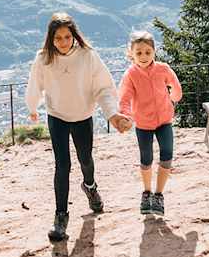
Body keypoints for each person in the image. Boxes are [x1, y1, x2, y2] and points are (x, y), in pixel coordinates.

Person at [25, 13, 131, 242]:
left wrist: (112, 114)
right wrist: (33, 106)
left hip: (83, 116)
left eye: (67, 36)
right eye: (58, 38)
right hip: (57, 117)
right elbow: (35, 83)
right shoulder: (43, 58)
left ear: (74, 36)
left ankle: (90, 186)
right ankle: (60, 217)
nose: (63, 42)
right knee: (62, 165)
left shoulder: (88, 56)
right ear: (50, 40)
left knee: (85, 159)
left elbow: (103, 88)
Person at [118, 30, 183, 216]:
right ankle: (146, 193)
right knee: (146, 159)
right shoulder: (130, 75)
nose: (144, 56)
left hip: (164, 120)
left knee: (167, 155)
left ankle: (159, 195)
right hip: (143, 124)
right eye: (139, 53)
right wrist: (125, 116)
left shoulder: (163, 68)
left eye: (147, 52)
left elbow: (175, 85)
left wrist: (174, 97)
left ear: (154, 51)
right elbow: (124, 99)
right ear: (131, 54)